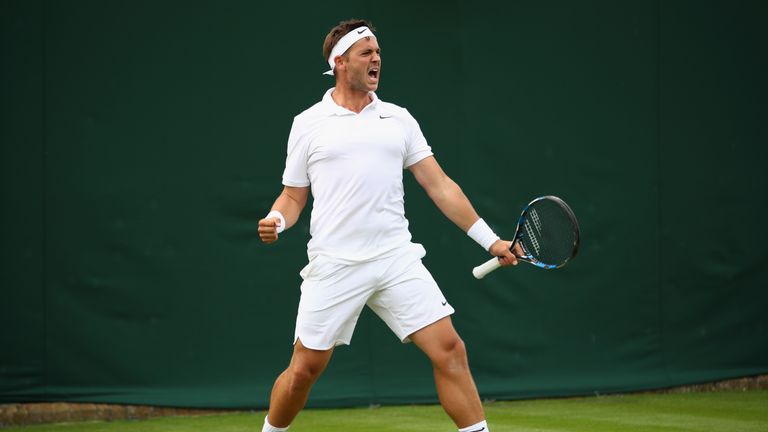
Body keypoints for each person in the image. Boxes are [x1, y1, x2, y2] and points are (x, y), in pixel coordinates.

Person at [258, 18, 521, 432]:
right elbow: (292, 197)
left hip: (396, 257)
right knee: (305, 369)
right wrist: (276, 220)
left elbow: (439, 185)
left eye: (378, 52)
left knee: (450, 349)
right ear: (340, 62)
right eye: (367, 52)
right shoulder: (308, 123)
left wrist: (490, 241)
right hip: (335, 263)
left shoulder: (398, 119)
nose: (377, 58)